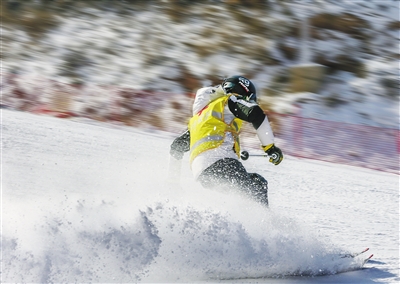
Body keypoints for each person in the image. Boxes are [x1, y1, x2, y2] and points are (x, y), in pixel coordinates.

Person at [169, 75, 283, 206]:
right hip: (222, 163)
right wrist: (270, 148)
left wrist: (173, 182)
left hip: (202, 174)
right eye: (249, 99)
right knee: (257, 185)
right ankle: (264, 223)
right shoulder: (229, 101)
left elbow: (176, 147)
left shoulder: (199, 118)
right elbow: (257, 115)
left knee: (234, 201)